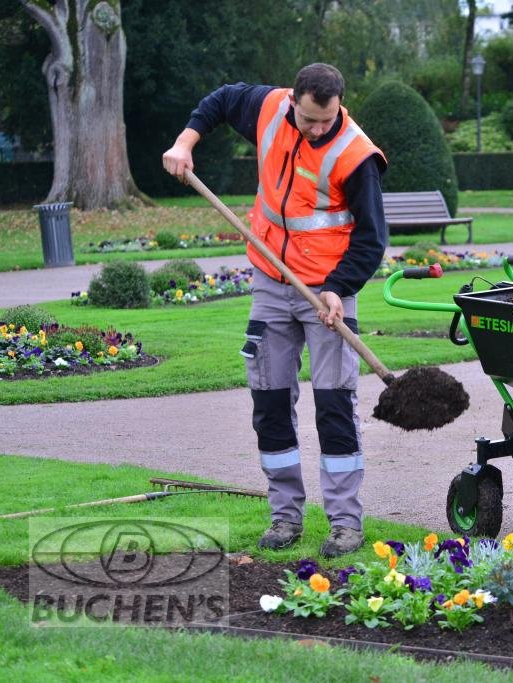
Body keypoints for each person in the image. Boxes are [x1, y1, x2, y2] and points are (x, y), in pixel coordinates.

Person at [162, 63, 387, 557]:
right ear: (293, 102)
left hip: (327, 292)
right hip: (270, 279)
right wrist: (185, 143)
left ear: (338, 107)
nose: (316, 129)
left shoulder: (355, 154)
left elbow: (372, 240)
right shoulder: (267, 108)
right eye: (308, 119)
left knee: (334, 406)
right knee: (269, 404)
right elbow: (221, 100)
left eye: (325, 121)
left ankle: (346, 525)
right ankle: (285, 519)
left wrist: (338, 287)